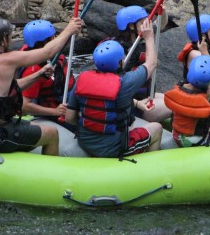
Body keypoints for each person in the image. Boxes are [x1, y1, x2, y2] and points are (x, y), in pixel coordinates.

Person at [0, 17, 83, 155]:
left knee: (33, 126)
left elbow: (10, 87)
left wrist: (39, 75)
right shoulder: (6, 59)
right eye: (10, 36)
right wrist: (69, 30)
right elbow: (47, 53)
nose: (12, 39)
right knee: (52, 133)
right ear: (4, 40)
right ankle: (50, 168)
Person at [65, 19, 162, 158]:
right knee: (157, 128)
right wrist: (149, 37)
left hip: (84, 141)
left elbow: (69, 118)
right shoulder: (126, 82)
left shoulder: (82, 79)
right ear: (119, 63)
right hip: (114, 148)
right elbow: (151, 63)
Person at [164, 54, 210, 147]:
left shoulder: (177, 88)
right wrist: (208, 56)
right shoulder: (205, 95)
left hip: (177, 136)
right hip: (197, 141)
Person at [115, 5, 171, 123]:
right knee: (174, 105)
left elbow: (161, 24)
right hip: (134, 103)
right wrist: (137, 103)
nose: (148, 25)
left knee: (174, 99)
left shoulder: (143, 33)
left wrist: (163, 11)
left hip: (146, 94)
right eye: (143, 22)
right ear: (131, 26)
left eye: (148, 21)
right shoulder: (120, 50)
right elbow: (116, 88)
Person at [18, 20, 76, 131]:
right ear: (45, 42)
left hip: (69, 99)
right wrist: (55, 111)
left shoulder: (36, 49)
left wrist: (72, 29)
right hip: (55, 113)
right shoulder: (33, 70)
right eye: (53, 37)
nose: (56, 39)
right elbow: (24, 105)